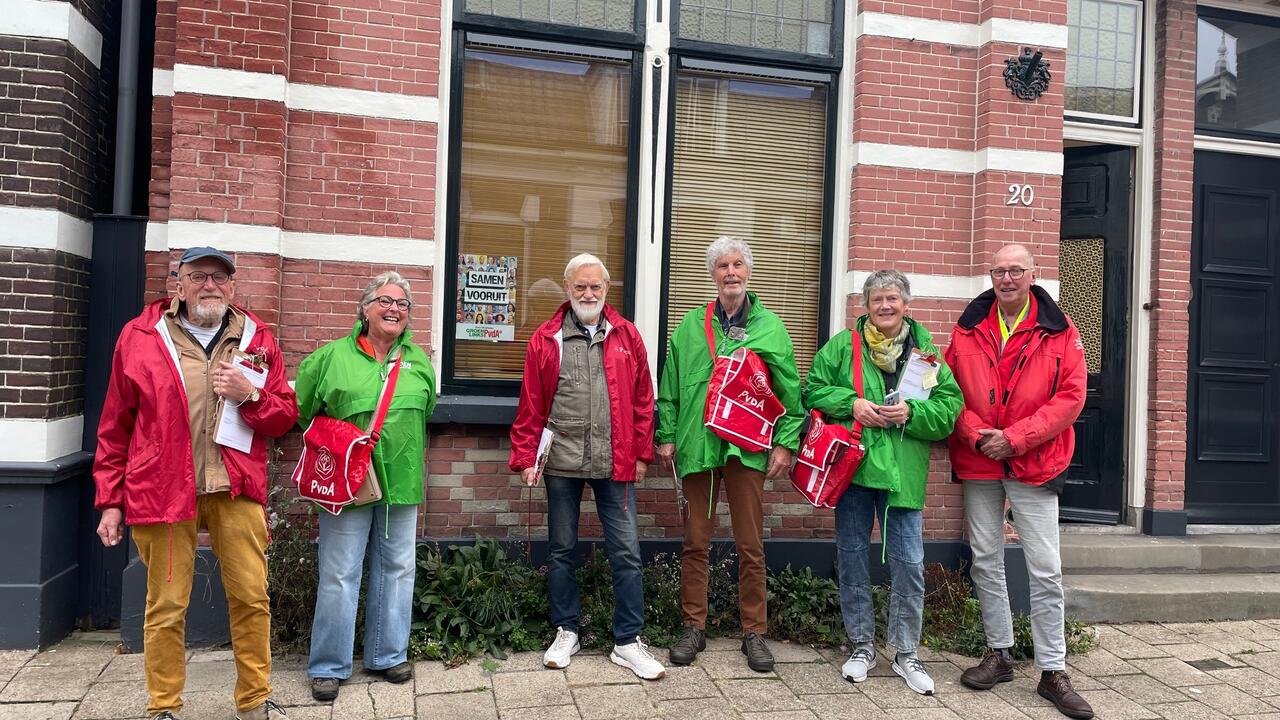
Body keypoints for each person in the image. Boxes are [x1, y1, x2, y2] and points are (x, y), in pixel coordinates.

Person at [93, 247, 298, 720]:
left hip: (235, 486)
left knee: (251, 595)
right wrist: (110, 500)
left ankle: (255, 699)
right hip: (161, 489)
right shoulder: (141, 336)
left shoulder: (257, 338)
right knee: (165, 604)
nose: (211, 286)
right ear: (178, 285)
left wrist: (252, 396)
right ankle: (163, 706)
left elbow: (284, 415)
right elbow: (115, 424)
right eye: (199, 276)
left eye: (221, 278)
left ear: (232, 286)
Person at [945, 244, 1092, 720]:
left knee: (1045, 568)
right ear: (991, 276)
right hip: (980, 459)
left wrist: (1015, 438)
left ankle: (1053, 670)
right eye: (999, 270)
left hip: (1035, 461)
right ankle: (999, 653)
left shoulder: (1061, 330)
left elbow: (1071, 397)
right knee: (985, 560)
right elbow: (945, 390)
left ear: (1033, 274)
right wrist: (975, 434)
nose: (1007, 278)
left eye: (1016, 270)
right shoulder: (967, 328)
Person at [803, 270, 962, 695]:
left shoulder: (926, 358)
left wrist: (913, 414)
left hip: (902, 478)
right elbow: (811, 390)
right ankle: (861, 646)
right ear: (866, 305)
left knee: (908, 566)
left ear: (905, 304)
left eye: (892, 298)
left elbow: (948, 411)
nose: (885, 306)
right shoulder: (843, 348)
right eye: (877, 299)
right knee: (853, 559)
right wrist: (850, 403)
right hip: (853, 473)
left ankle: (906, 652)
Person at [508, 254, 665, 680]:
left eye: (595, 286)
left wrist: (642, 454)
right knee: (561, 550)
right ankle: (566, 630)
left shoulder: (627, 335)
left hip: (616, 462)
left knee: (627, 553)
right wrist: (525, 457)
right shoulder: (546, 338)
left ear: (606, 289)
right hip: (560, 461)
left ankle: (628, 641)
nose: (588, 294)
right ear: (567, 288)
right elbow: (532, 405)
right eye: (580, 286)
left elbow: (642, 401)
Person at [655, 236, 803, 673]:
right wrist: (666, 436)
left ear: (749, 272)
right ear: (712, 275)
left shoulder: (770, 328)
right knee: (695, 541)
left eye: (738, 264)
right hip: (698, 445)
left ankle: (754, 632)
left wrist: (786, 442)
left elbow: (790, 392)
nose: (731, 272)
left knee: (750, 544)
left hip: (747, 449)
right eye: (722, 266)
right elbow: (670, 386)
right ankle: (693, 626)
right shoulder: (689, 326)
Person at [296, 271, 438, 702]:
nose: (394, 309)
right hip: (345, 484)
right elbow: (305, 409)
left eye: (402, 303)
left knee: (398, 570)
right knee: (339, 573)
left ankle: (387, 654)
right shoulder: (330, 357)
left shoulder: (419, 360)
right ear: (365, 309)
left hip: (401, 481)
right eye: (384, 301)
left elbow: (426, 406)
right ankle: (328, 665)